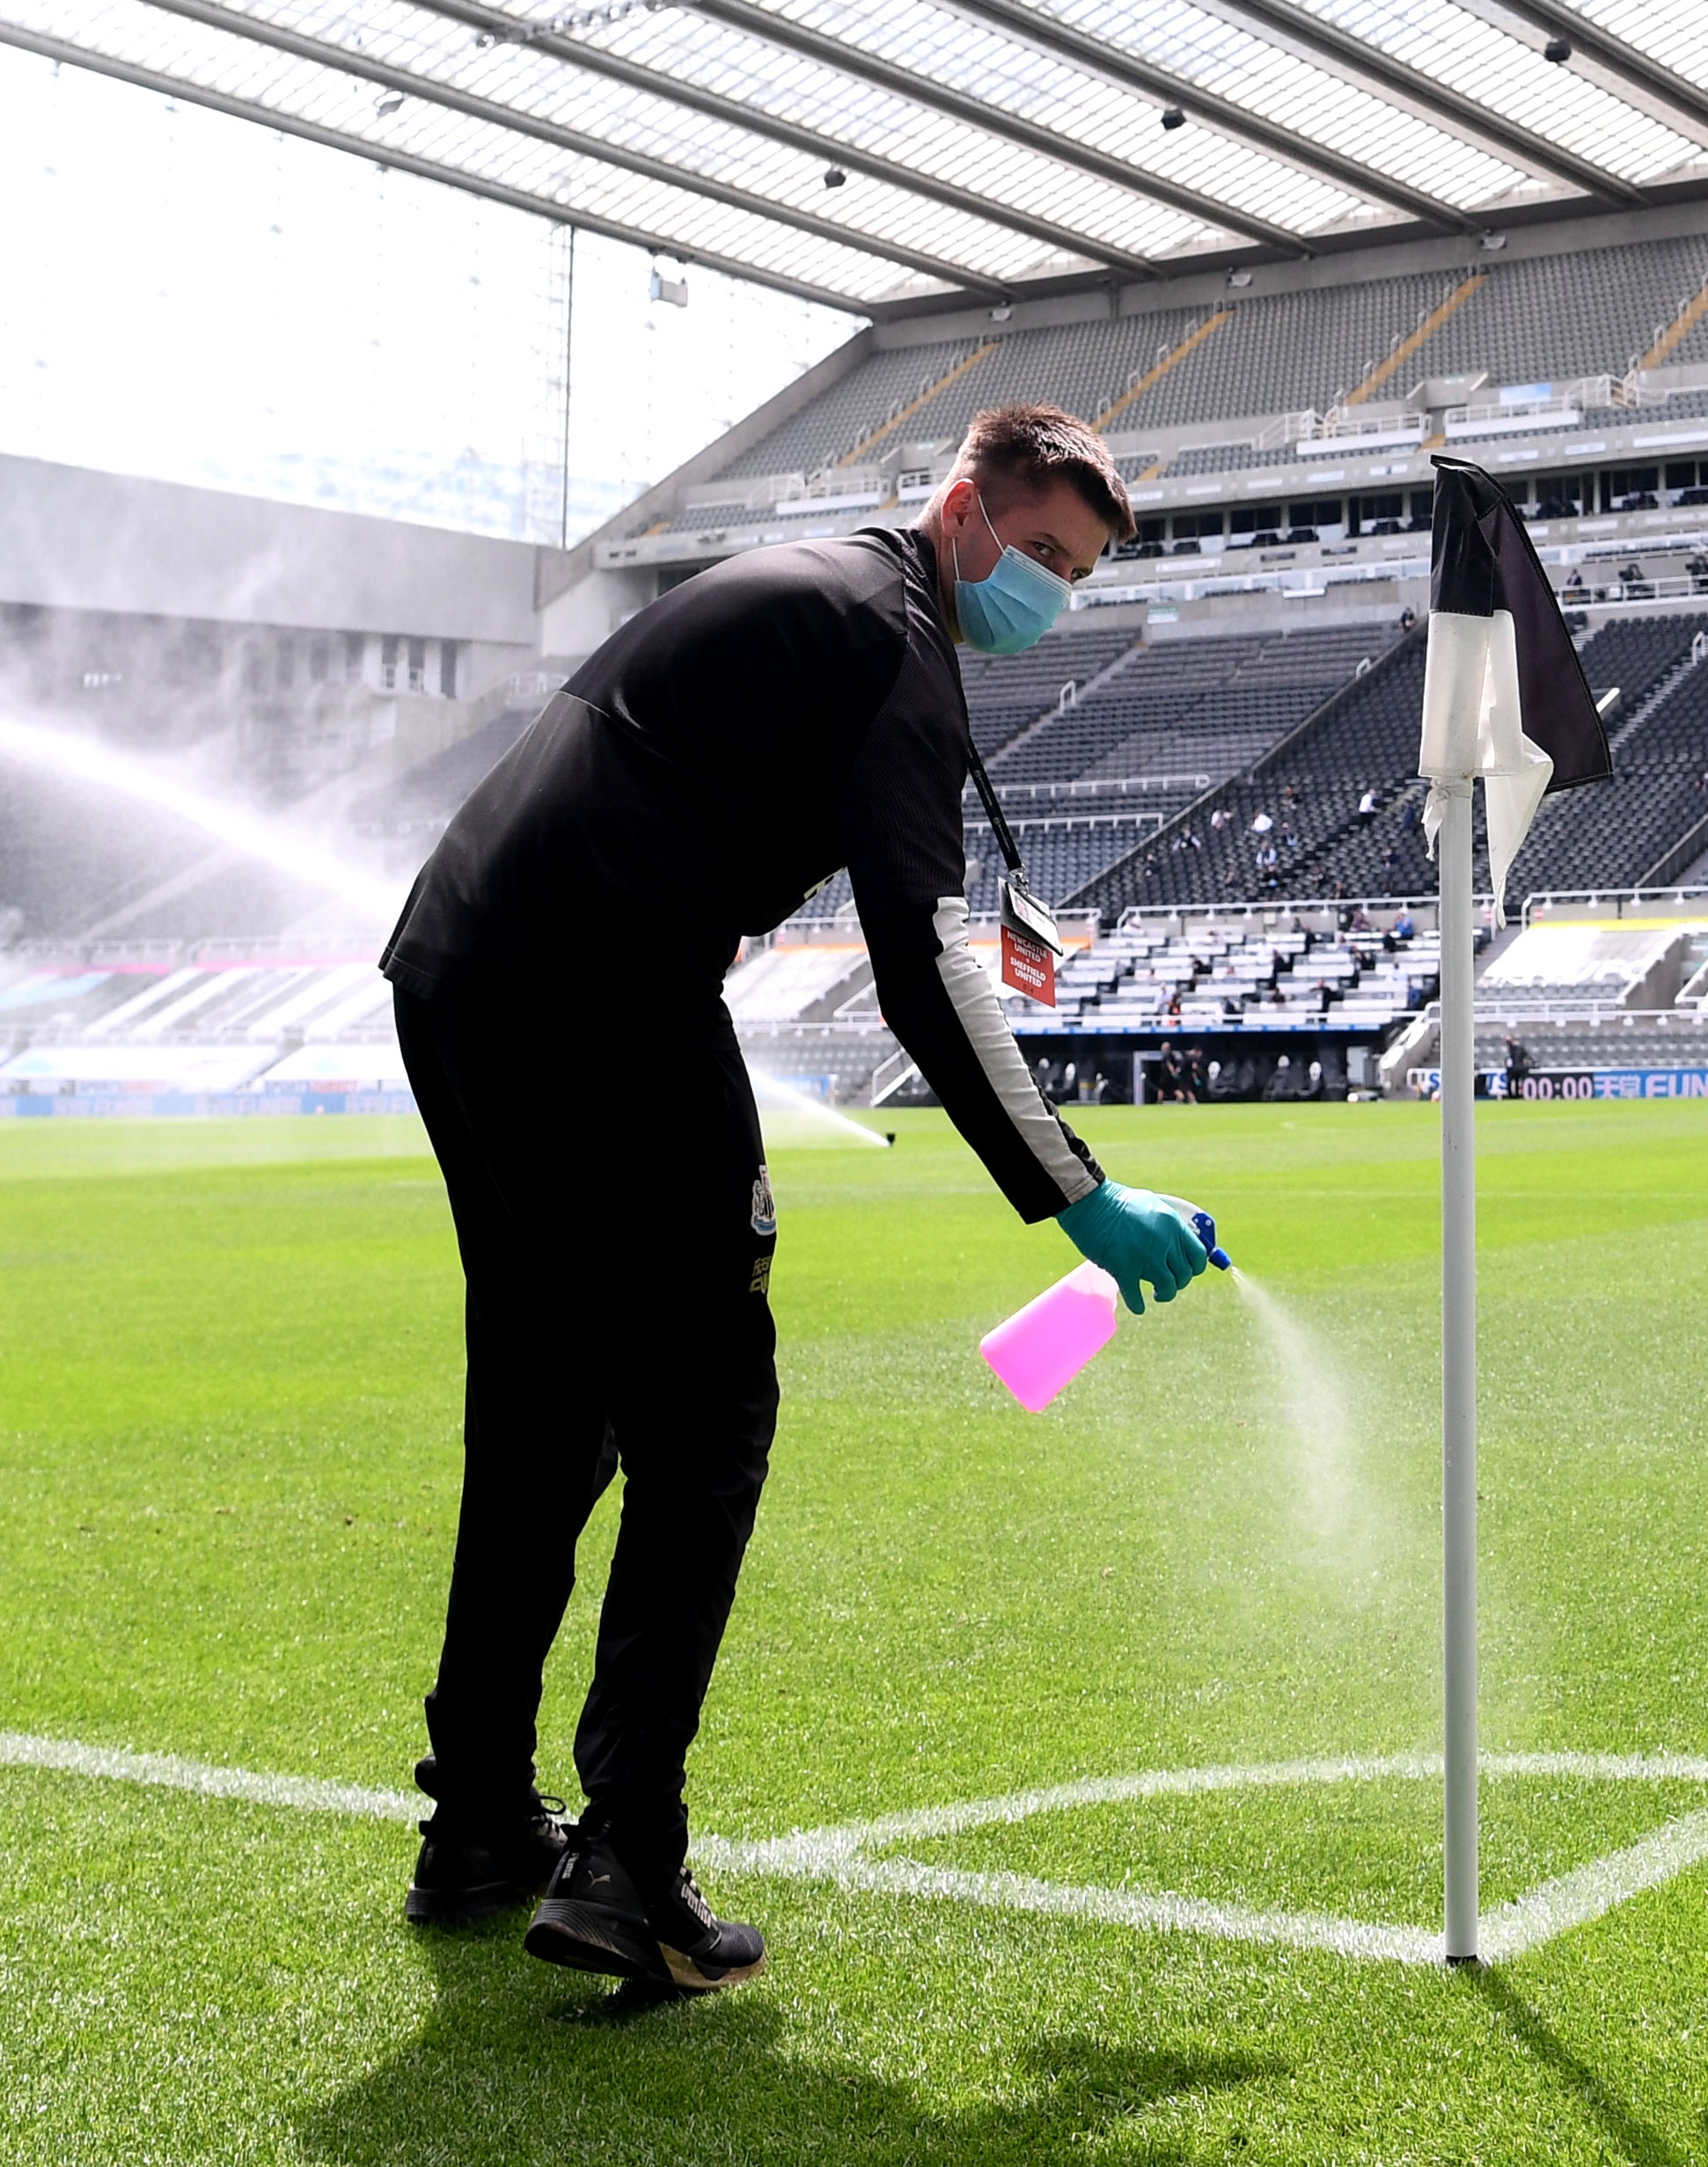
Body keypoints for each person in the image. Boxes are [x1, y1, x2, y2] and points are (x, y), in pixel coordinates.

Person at [378, 403, 1212, 1995]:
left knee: (550, 1402)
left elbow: (859, 842)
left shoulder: (846, 595)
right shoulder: (897, 635)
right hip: (601, 985)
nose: (1051, 589)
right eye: (1037, 550)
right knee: (709, 1410)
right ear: (964, 503)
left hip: (461, 967)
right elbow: (915, 965)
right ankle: (630, 1860)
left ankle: (480, 1816)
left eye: (1078, 572)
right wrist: (1081, 1198)